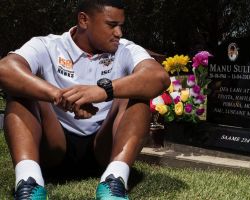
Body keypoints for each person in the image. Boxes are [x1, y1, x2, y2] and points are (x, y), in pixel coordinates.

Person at [0, 0, 170, 199]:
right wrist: (59, 96)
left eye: (121, 26)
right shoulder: (48, 45)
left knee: (138, 94)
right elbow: (5, 69)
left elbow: (159, 78)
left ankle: (114, 180)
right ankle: (29, 183)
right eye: (111, 25)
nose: (119, 33)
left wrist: (103, 90)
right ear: (83, 20)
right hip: (54, 146)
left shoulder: (125, 49)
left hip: (104, 148)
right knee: (23, 92)